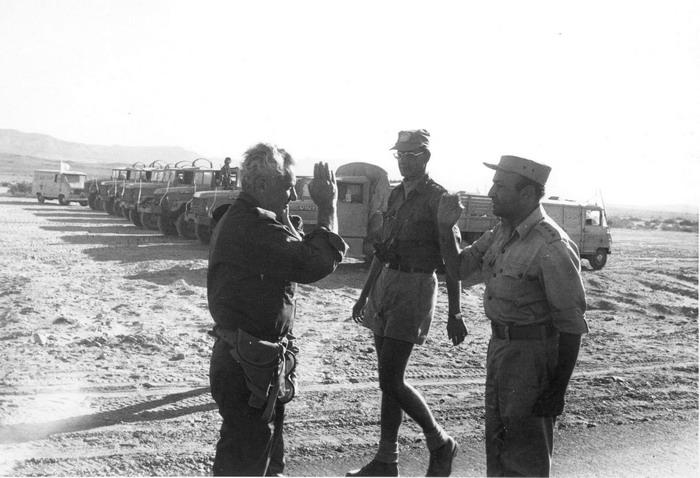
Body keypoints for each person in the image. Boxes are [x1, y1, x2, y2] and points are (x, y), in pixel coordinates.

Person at [437, 155, 588, 477]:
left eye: (500, 186)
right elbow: (459, 269)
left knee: (526, 457)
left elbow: (571, 324)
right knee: (499, 447)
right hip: (501, 350)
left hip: (533, 358)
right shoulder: (500, 233)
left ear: (528, 194)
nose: (491, 193)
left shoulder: (551, 244)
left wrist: (557, 390)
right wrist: (445, 227)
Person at [207, 143, 347, 476]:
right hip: (248, 362)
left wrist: (284, 216)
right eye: (287, 187)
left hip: (252, 359)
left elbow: (292, 250)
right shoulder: (253, 226)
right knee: (250, 458)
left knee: (256, 455)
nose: (294, 195)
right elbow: (315, 263)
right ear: (259, 187)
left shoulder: (248, 219)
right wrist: (328, 207)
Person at [347, 129, 467, 477]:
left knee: (391, 378)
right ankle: (387, 459)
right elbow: (382, 250)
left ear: (426, 157)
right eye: (400, 155)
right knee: (388, 379)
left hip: (415, 286)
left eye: (411, 155)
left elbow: (452, 259)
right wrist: (364, 294)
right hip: (387, 283)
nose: (403, 161)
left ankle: (440, 442)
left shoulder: (438, 199)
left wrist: (455, 311)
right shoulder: (397, 195)